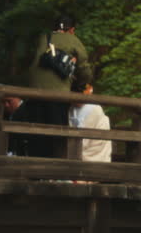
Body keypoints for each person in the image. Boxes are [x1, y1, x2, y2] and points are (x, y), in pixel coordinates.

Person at [21, 14, 92, 158]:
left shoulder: (44, 38)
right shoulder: (73, 40)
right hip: (57, 95)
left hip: (33, 94)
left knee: (36, 133)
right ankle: (54, 171)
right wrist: (83, 83)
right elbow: (84, 69)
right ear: (72, 29)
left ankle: (34, 170)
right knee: (57, 135)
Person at [70, 82, 112, 164]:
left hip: (93, 153)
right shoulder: (72, 109)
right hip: (80, 148)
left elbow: (85, 141)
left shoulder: (93, 109)